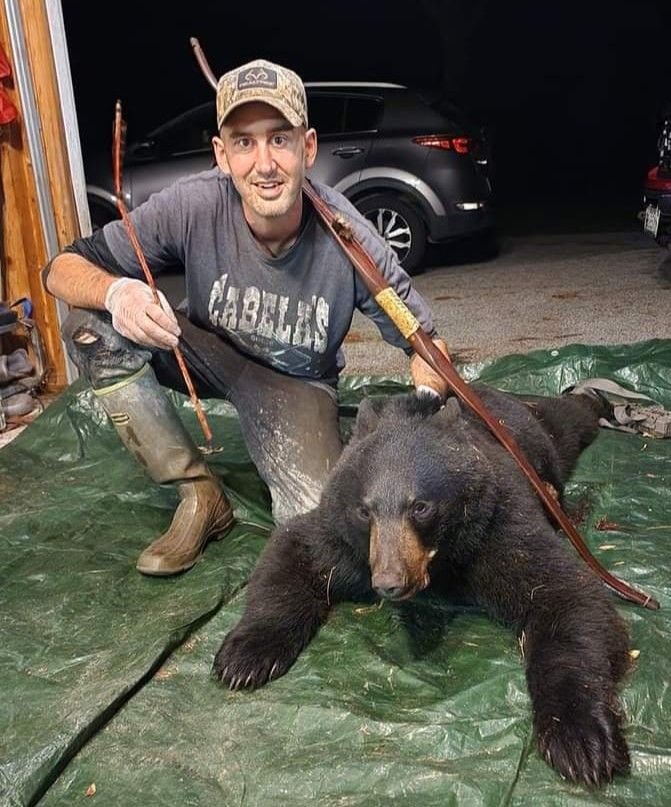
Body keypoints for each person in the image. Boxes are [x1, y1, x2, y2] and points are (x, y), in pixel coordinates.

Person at [43, 58, 449, 577]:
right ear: (221, 154)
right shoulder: (191, 204)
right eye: (244, 142)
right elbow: (60, 268)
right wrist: (118, 290)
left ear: (308, 147)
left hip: (295, 387)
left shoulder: (352, 241)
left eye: (279, 139)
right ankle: (198, 494)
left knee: (324, 534)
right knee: (91, 325)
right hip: (204, 352)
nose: (264, 163)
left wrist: (423, 409)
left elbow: (427, 347)